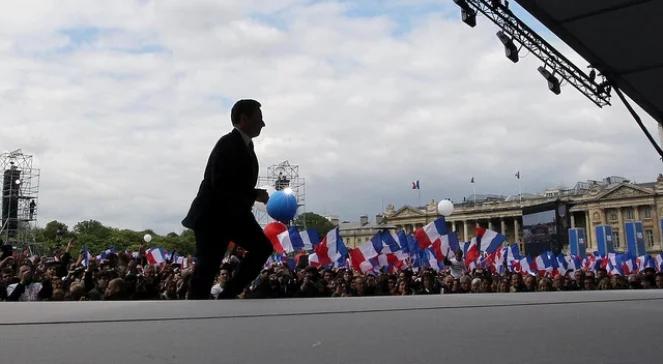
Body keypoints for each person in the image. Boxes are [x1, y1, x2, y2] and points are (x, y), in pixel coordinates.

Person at [183, 99, 272, 299]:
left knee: (261, 249)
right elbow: (220, 182)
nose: (263, 124)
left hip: (231, 216)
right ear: (243, 118)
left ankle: (227, 295)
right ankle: (200, 310)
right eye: (259, 118)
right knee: (206, 270)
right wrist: (254, 194)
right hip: (213, 217)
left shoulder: (245, 147)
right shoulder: (228, 144)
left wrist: (251, 194)